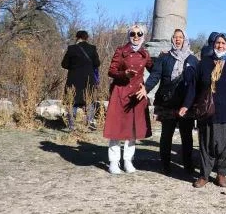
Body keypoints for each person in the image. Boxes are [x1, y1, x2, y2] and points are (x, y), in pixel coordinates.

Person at [186, 32, 226, 188]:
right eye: (218, 43)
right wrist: (186, 105)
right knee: (207, 144)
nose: (220, 46)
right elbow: (194, 87)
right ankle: (204, 175)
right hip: (208, 111)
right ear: (213, 45)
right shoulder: (204, 63)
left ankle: (222, 174)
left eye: (223, 43)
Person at [138, 29, 198, 175]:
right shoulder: (164, 58)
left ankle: (188, 165)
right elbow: (155, 76)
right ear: (172, 39)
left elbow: (197, 82)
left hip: (185, 103)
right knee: (166, 135)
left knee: (186, 136)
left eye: (180, 37)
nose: (178, 40)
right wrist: (145, 88)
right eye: (175, 37)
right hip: (168, 102)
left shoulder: (193, 59)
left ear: (185, 39)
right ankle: (165, 164)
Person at [103, 25, 153, 174]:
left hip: (136, 95)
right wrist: (124, 73)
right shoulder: (121, 51)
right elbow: (111, 71)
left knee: (133, 129)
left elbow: (155, 69)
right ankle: (113, 162)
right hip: (120, 92)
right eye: (133, 33)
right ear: (129, 35)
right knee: (116, 128)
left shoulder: (145, 54)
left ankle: (128, 161)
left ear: (143, 36)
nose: (136, 36)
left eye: (139, 34)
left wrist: (164, 60)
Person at [61, 30, 100, 130]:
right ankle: (89, 122)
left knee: (72, 100)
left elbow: (64, 64)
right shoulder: (92, 48)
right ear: (87, 38)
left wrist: (73, 66)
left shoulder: (71, 48)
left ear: (77, 37)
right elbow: (97, 63)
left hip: (73, 79)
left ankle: (71, 124)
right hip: (88, 79)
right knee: (89, 100)